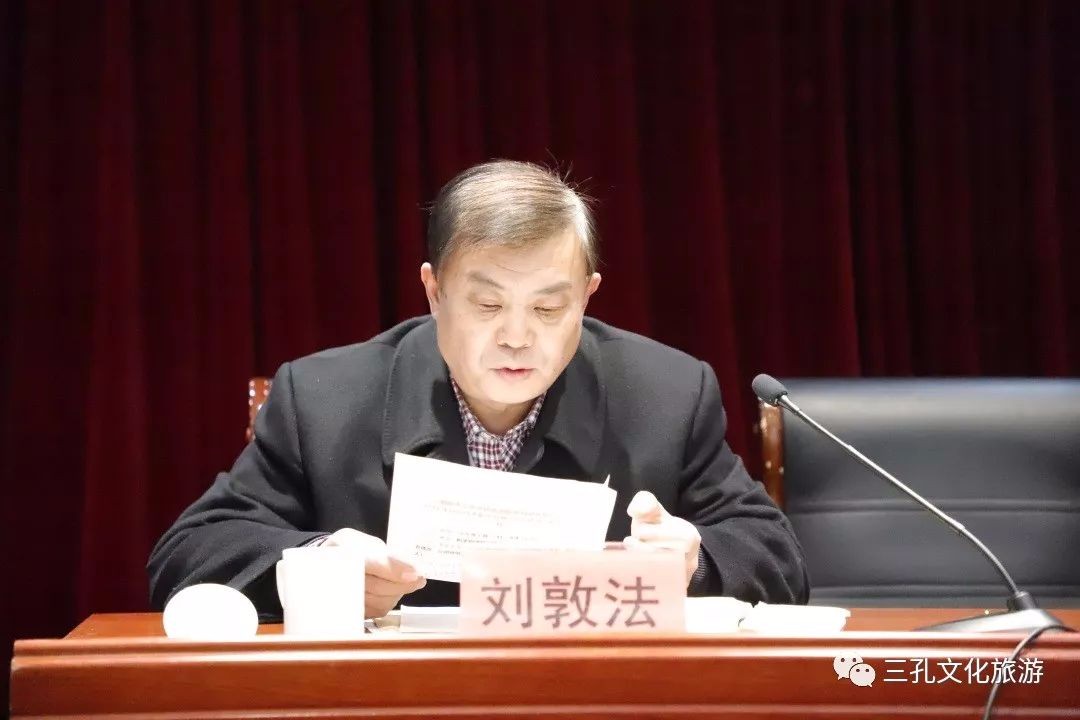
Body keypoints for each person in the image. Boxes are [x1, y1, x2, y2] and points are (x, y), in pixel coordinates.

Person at [148, 160, 808, 620]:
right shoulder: (324, 400)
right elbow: (188, 554)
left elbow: (775, 555)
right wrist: (317, 563)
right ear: (434, 291)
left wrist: (692, 561)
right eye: (488, 305)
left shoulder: (664, 395)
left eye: (549, 308)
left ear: (587, 297)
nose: (517, 337)